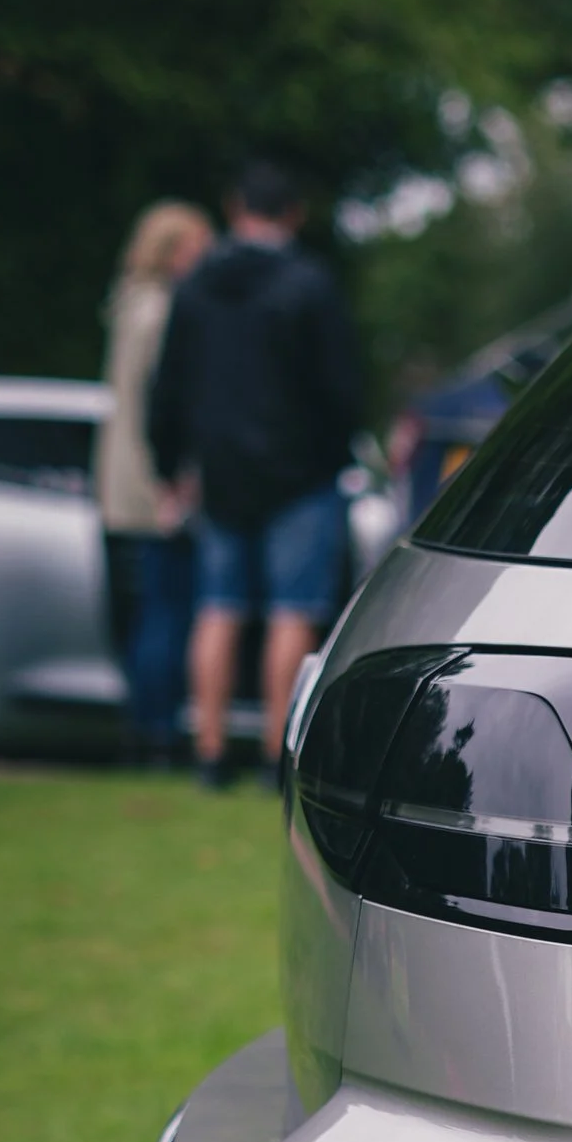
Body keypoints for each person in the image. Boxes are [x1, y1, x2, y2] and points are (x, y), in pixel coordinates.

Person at [147, 157, 359, 789]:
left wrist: (170, 468)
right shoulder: (311, 285)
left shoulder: (195, 287)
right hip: (298, 476)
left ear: (233, 208)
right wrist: (334, 454)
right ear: (293, 214)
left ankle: (208, 751)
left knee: (218, 609)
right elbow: (340, 388)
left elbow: (168, 389)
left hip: (220, 474)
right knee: (292, 612)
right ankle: (275, 753)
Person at [96, 201, 213, 766]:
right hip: (153, 485)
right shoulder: (162, 312)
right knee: (167, 610)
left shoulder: (128, 304)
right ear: (174, 250)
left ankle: (144, 728)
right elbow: (161, 405)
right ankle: (157, 734)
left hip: (125, 481)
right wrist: (172, 481)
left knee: (150, 609)